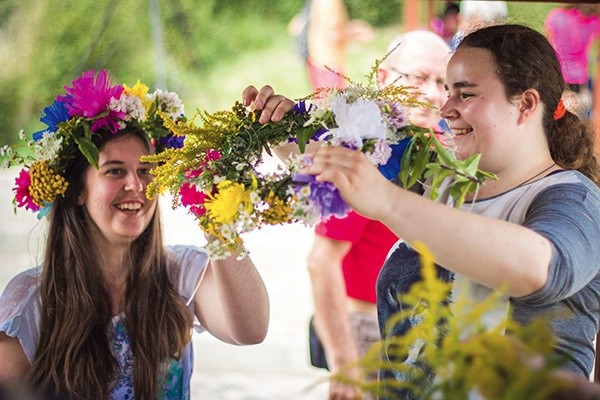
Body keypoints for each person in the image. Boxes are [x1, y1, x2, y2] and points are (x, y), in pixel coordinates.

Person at [243, 22, 600, 397]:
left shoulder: (574, 200)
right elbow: (334, 168)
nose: (445, 108)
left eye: (465, 94)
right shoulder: (441, 179)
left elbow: (537, 269)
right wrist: (282, 130)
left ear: (525, 104)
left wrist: (387, 200)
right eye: (448, 92)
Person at [0, 70, 270, 399]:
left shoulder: (181, 272)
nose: (137, 185)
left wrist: (217, 220)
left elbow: (251, 329)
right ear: (77, 191)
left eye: (145, 170)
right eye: (115, 171)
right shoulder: (30, 299)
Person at [305, 30, 450, 400]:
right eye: (418, 78)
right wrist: (344, 362)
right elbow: (322, 263)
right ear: (383, 78)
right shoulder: (368, 153)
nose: (433, 94)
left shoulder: (439, 147)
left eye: (442, 83)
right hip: (369, 329)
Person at [288, 0, 373, 91]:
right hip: (329, 66)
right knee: (332, 103)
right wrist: (356, 32)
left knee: (324, 102)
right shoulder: (330, 2)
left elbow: (295, 26)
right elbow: (332, 34)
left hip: (318, 62)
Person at [545, 3, 600, 120]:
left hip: (557, 74)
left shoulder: (556, 16)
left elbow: (548, 43)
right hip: (578, 79)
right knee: (577, 117)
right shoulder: (594, 22)